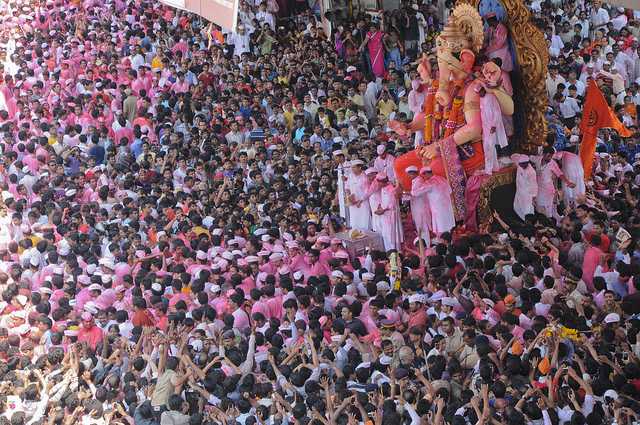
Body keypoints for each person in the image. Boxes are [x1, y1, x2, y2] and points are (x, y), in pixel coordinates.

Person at [406, 165, 432, 247]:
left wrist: (407, 193)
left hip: (420, 208)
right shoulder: (415, 181)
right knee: (420, 228)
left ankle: (426, 245)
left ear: (414, 173)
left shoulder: (419, 181)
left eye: (410, 174)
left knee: (423, 227)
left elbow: (415, 193)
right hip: (417, 208)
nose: (409, 176)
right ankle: (423, 245)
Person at [346, 159, 371, 230]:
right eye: (352, 167)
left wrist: (360, 201)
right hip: (353, 203)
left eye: (354, 167)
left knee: (364, 222)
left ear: (359, 167)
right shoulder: (350, 176)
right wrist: (349, 197)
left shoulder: (365, 177)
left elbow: (367, 192)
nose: (352, 169)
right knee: (355, 222)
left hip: (363, 203)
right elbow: (347, 187)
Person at [512, 154, 538, 221]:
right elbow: (513, 157)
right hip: (519, 193)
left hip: (527, 195)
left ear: (526, 163)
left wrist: (534, 197)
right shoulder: (520, 165)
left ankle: (528, 223)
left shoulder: (531, 172)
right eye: (519, 164)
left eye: (521, 164)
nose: (519, 165)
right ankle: (524, 221)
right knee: (516, 207)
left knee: (527, 211)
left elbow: (534, 185)